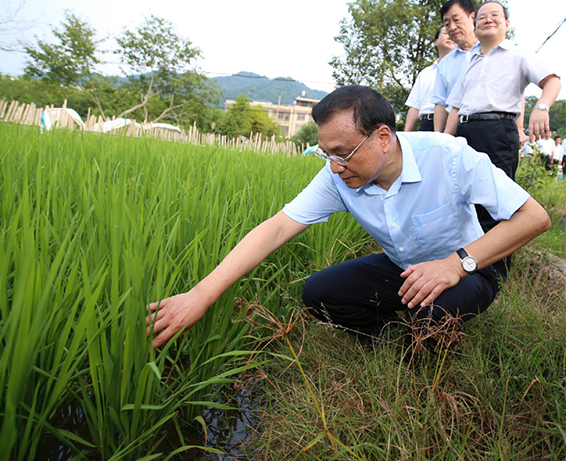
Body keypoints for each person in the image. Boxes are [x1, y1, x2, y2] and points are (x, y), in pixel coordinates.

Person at [146, 85, 550, 350]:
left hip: (468, 268)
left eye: (343, 153)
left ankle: (424, 343)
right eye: (327, 154)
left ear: (383, 137)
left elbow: (534, 217)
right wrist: (202, 293)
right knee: (317, 294)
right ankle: (386, 340)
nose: (335, 167)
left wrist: (455, 264)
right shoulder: (338, 176)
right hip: (405, 269)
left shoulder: (449, 156)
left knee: (431, 317)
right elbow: (277, 228)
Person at [445, 1, 560, 180]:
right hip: (464, 133)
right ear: (475, 28)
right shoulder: (470, 61)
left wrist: (541, 107)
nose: (488, 20)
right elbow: (456, 106)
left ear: (506, 24)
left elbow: (552, 81)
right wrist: (444, 141)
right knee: (464, 193)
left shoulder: (518, 54)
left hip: (498, 133)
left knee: (495, 195)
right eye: (482, 17)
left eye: (495, 15)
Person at [431, 0, 480, 132]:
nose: (452, 27)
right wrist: (438, 136)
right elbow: (440, 103)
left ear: (472, 17)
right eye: (447, 24)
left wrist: (519, 127)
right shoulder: (446, 63)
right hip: (455, 129)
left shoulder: (491, 52)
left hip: (490, 127)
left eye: (456, 20)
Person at [405, 26, 456, 132]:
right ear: (436, 41)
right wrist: (405, 136)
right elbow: (414, 107)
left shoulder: (464, 68)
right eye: (446, 33)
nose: (450, 36)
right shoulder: (425, 73)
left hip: (453, 122)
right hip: (427, 124)